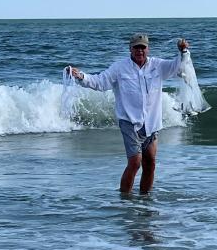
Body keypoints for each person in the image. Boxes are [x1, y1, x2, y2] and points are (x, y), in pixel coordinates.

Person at [70, 33, 189, 194]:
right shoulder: (119, 68)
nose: (139, 50)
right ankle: (125, 200)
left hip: (152, 123)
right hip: (129, 122)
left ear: (148, 49)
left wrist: (183, 52)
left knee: (151, 163)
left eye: (143, 47)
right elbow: (100, 82)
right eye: (136, 47)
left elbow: (179, 67)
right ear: (130, 49)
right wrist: (81, 76)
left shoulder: (158, 65)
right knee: (135, 162)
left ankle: (144, 200)